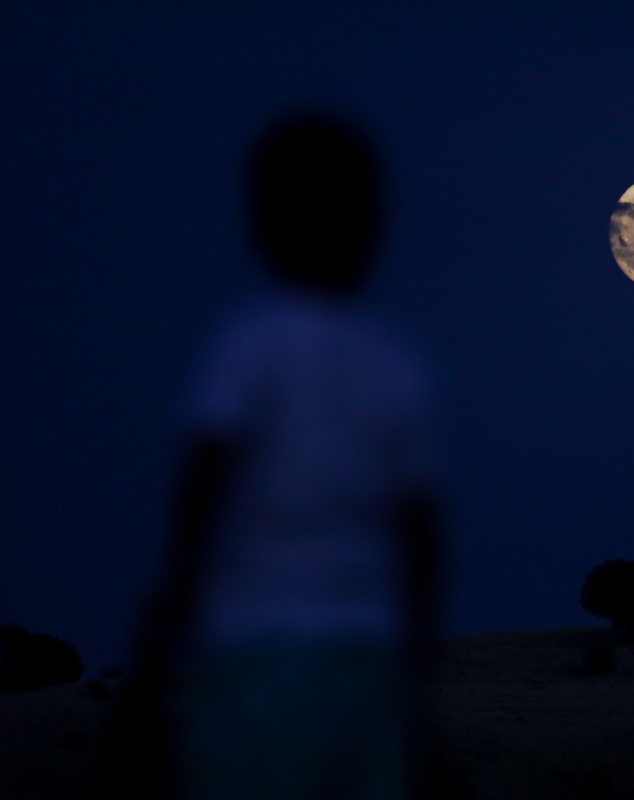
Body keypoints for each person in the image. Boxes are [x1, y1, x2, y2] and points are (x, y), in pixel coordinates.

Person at [94, 111, 443, 800]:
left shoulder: (249, 344)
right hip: (366, 655)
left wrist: (172, 601)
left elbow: (205, 470)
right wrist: (417, 659)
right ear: (377, 225)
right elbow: (422, 527)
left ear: (260, 226)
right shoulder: (400, 365)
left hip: (255, 645)